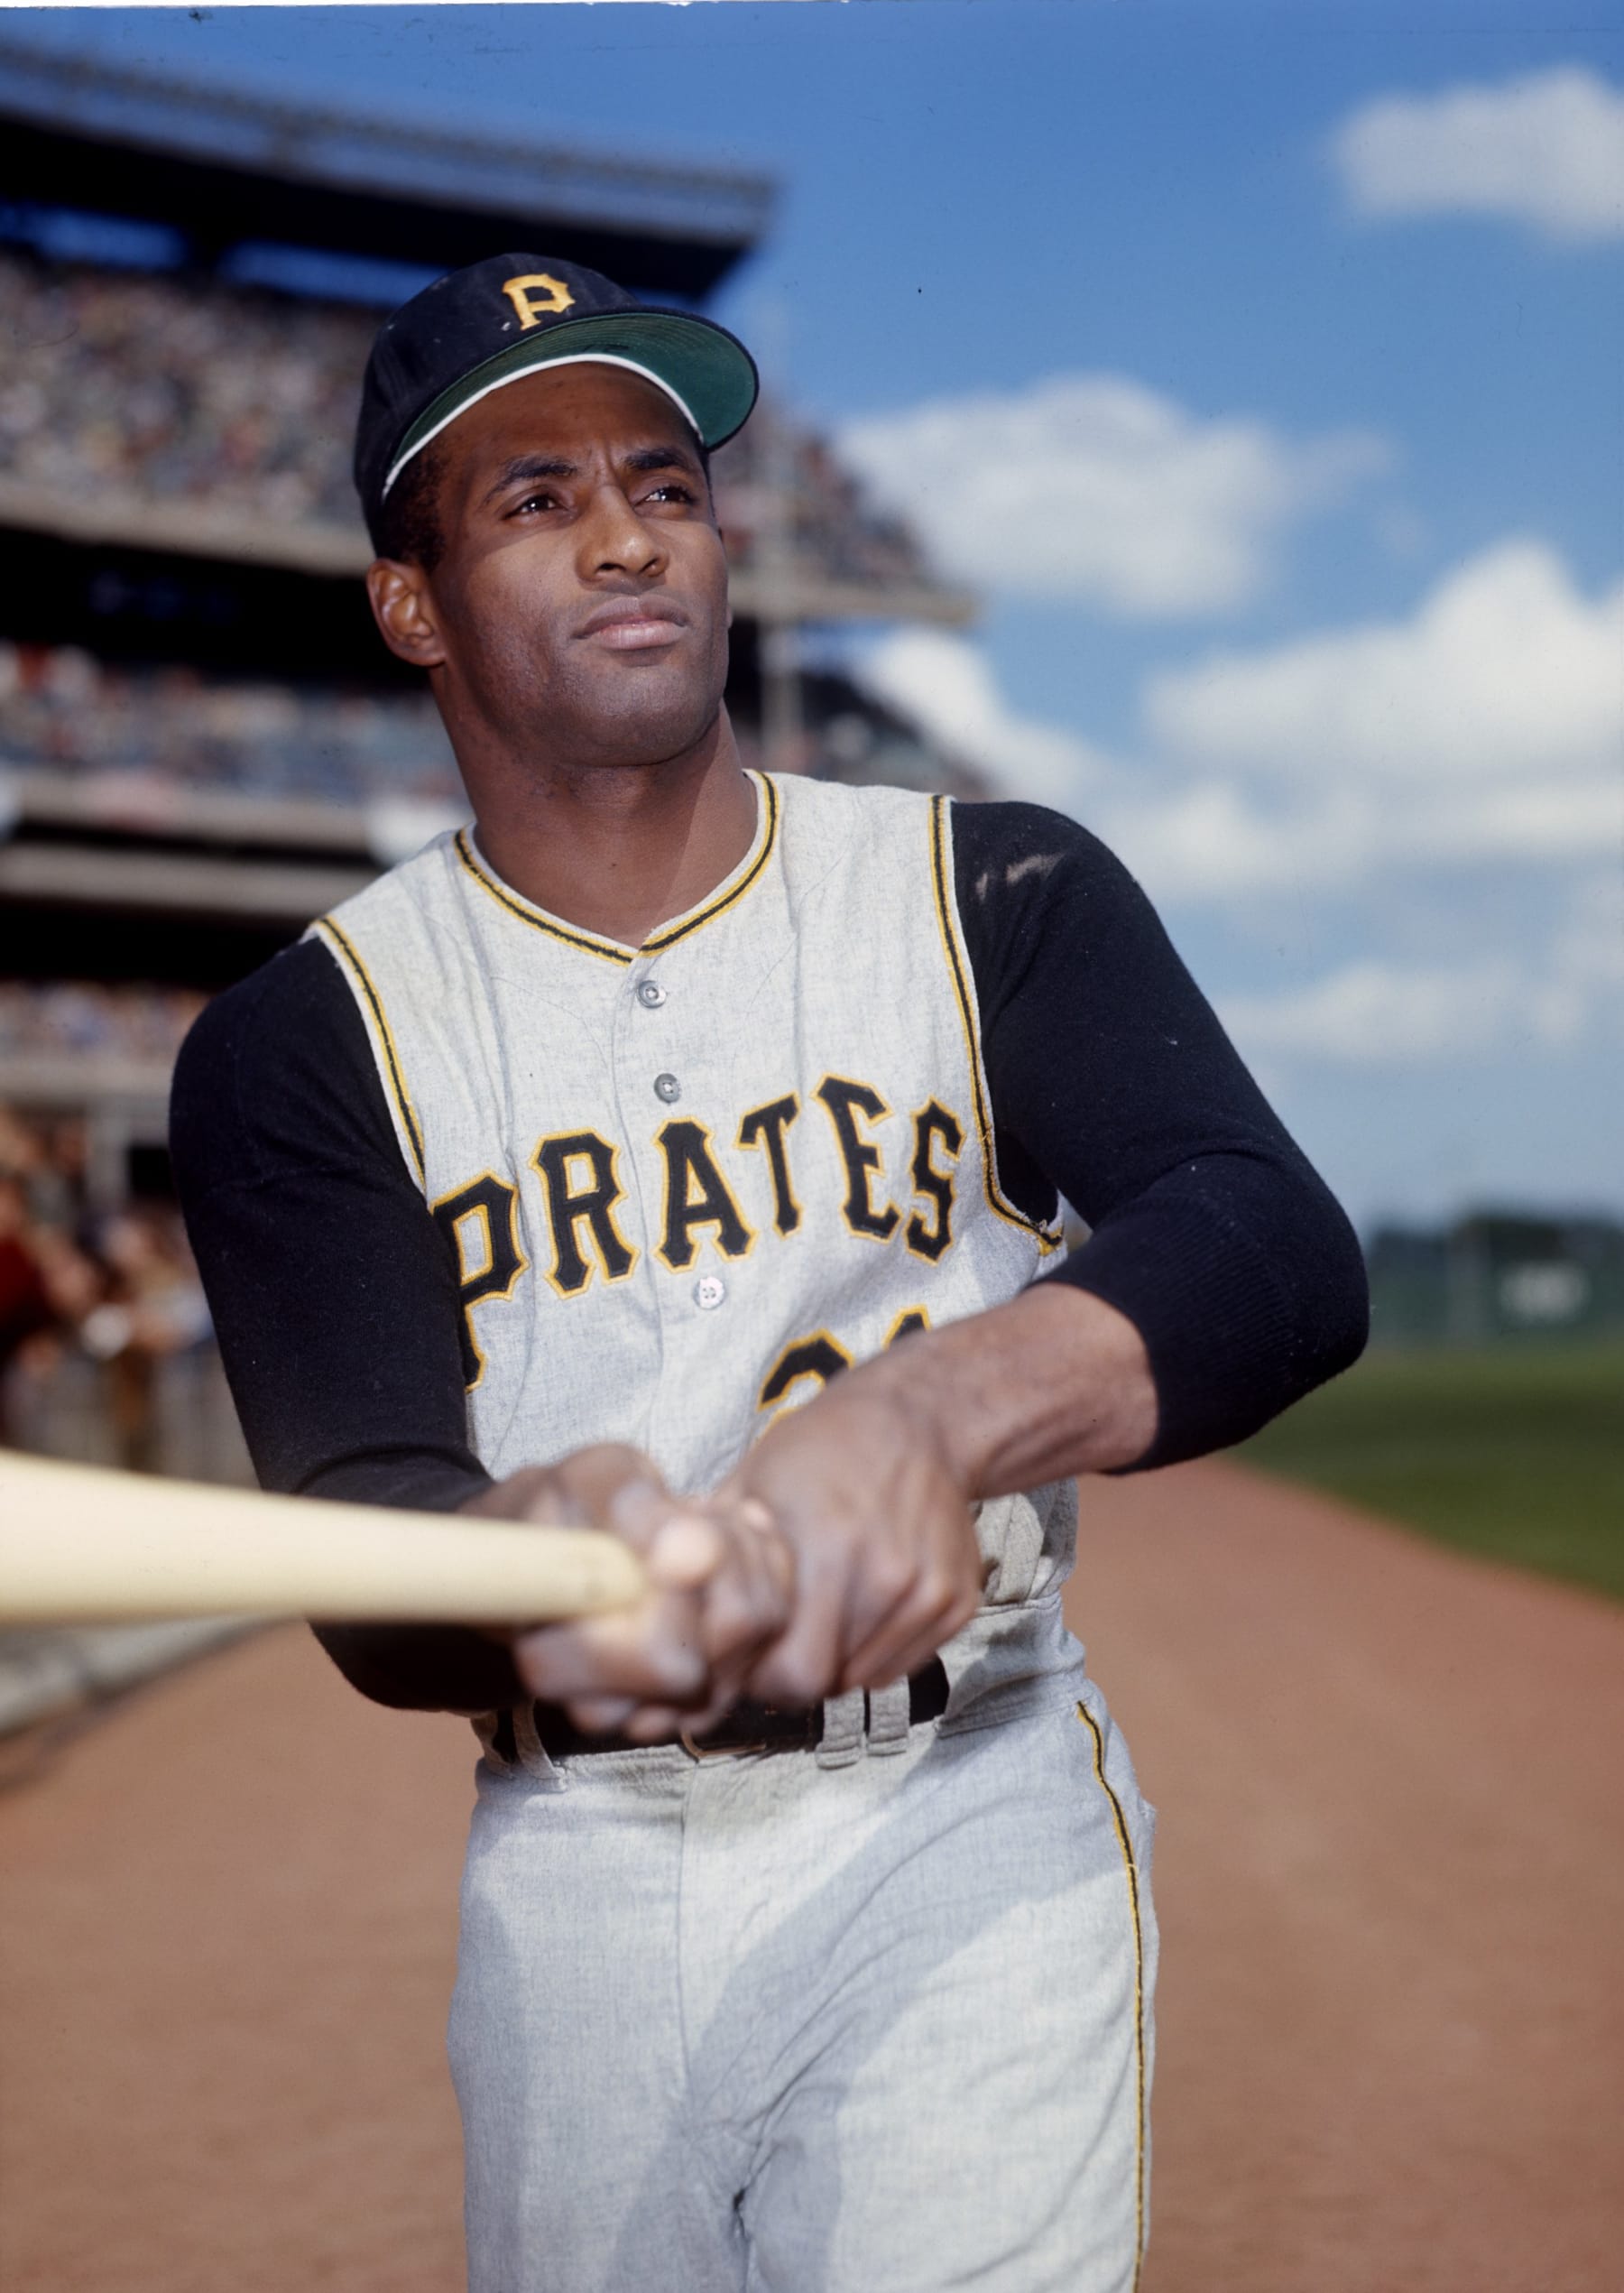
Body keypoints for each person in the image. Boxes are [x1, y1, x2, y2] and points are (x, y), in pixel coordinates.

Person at [171, 254, 1367, 2293]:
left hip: (964, 1808)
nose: (630, 533)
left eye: (667, 483)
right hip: (578, 1863)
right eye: (535, 499)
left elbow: (1269, 1238)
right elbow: (369, 1536)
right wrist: (540, 1557)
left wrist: (933, 1413)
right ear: (410, 605)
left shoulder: (988, 888)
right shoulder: (304, 1039)